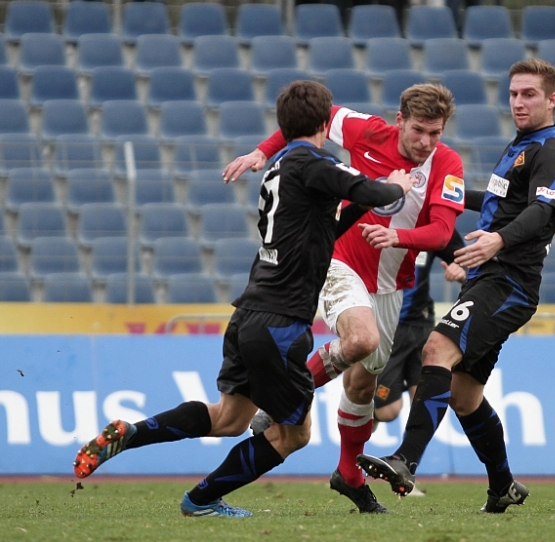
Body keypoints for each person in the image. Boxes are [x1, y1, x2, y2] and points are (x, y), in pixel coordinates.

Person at [72, 81, 414, 518]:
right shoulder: (316, 163)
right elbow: (375, 192)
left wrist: (360, 207)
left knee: (229, 418)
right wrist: (397, 185)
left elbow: (325, 232)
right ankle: (201, 499)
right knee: (294, 435)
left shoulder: (279, 168)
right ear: (324, 124)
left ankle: (132, 432)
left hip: (249, 313)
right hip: (280, 323)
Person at [223, 85, 465, 514]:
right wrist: (263, 151)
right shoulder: (366, 131)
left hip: (390, 285)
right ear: (399, 121)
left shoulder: (447, 163)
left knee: (363, 382)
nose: (426, 142)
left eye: (435, 133)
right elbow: (310, 117)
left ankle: (348, 473)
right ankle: (280, 401)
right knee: (361, 340)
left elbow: (443, 232)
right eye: (418, 130)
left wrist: (398, 237)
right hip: (339, 261)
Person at [358, 59, 555, 513]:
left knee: (436, 348)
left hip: (509, 283)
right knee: (463, 394)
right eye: (513, 93)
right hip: (488, 279)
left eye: (529, 94)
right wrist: (440, 194)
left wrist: (498, 239)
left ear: (552, 99)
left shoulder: (550, 151)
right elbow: (496, 201)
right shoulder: (520, 147)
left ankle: (405, 460)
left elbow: (542, 212)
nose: (518, 102)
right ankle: (503, 486)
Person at [373, 233, 466, 429]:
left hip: (422, 323)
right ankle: (357, 416)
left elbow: (466, 260)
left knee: (424, 403)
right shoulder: (378, 224)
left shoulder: (433, 226)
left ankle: (407, 451)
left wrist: (462, 271)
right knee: (387, 411)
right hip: (386, 326)